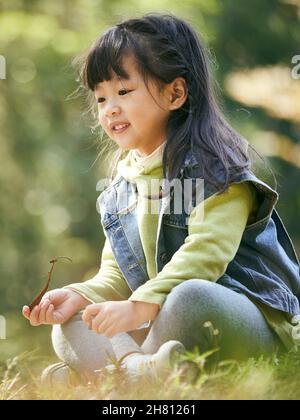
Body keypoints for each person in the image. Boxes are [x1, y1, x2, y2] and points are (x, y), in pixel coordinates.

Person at [22, 13, 300, 386]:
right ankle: (140, 372)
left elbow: (205, 254)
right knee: (71, 322)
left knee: (190, 297)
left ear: (175, 93)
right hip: (164, 330)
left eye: (123, 92)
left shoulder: (216, 168)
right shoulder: (122, 188)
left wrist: (138, 307)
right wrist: (79, 294)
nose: (110, 109)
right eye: (101, 98)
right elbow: (118, 274)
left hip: (243, 320)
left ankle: (104, 377)